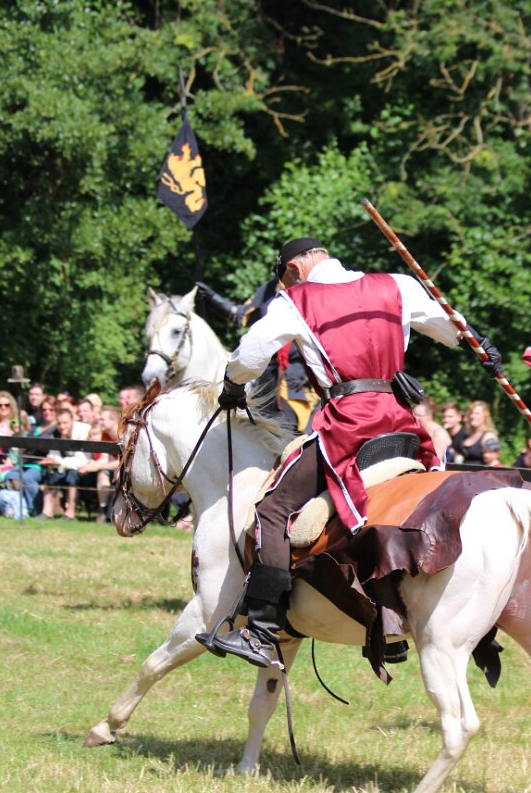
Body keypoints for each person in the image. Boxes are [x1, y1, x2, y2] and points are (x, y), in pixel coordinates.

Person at [195, 236, 503, 668]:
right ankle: (385, 620)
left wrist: (232, 384)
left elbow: (252, 354)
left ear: (294, 269)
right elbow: (450, 327)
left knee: (272, 508)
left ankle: (261, 631)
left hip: (348, 426)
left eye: (286, 279)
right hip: (401, 422)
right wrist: (478, 343)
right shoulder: (397, 284)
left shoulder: (296, 300)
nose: (286, 287)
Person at [196, 274, 316, 431]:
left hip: (299, 381)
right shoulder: (269, 289)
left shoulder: (311, 291)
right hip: (264, 379)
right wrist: (212, 298)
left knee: (296, 433)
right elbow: (241, 314)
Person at [452, 400, 498, 464]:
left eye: (477, 414)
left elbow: (493, 462)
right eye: (472, 413)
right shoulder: (466, 434)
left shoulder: (489, 436)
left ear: (485, 416)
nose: (473, 416)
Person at [412, 397, 452, 462]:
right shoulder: (418, 431)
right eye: (414, 415)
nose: (415, 418)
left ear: (430, 416)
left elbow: (436, 461)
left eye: (419, 415)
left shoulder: (439, 433)